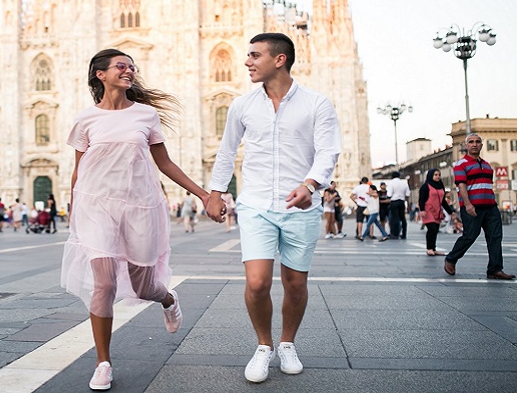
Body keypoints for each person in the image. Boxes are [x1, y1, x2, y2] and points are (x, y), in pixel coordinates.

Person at [61, 48, 210, 391]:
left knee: (144, 287)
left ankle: (168, 299)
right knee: (105, 284)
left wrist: (203, 195)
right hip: (96, 207)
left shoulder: (145, 115)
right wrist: (74, 212)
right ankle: (103, 363)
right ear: (100, 74)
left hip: (139, 206)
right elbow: (79, 171)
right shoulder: (85, 119)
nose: (129, 71)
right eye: (121, 66)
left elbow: (165, 164)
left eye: (132, 67)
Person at [205, 33, 340, 384]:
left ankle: (287, 343)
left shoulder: (317, 103)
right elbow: (226, 151)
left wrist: (311, 184)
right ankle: (264, 346)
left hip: (301, 204)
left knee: (295, 283)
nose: (247, 61)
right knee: (257, 282)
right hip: (256, 203)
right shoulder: (242, 105)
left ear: (279, 60)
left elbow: (328, 151)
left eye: (254, 55)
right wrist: (216, 192)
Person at [444, 134, 515, 280]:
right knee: (470, 236)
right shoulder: (461, 164)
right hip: (472, 207)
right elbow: (461, 186)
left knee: (495, 237)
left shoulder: (487, 165)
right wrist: (468, 205)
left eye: (477, 142)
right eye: (471, 142)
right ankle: (451, 259)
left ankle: (495, 269)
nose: (474, 144)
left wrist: (494, 205)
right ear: (466, 146)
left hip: (490, 207)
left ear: (481, 145)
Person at [419, 169, 455, 256]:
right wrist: (422, 209)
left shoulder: (440, 186)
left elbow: (443, 202)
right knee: (432, 228)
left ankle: (433, 248)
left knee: (435, 229)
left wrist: (451, 211)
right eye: (435, 175)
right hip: (428, 210)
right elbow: (421, 199)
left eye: (439, 175)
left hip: (437, 211)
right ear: (431, 175)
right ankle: (429, 248)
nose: (438, 176)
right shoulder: (425, 186)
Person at [386, 171, 410, 239]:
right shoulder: (404, 183)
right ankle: (404, 233)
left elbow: (389, 194)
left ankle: (395, 233)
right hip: (402, 201)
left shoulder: (391, 183)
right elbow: (407, 194)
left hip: (394, 201)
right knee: (403, 218)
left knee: (394, 218)